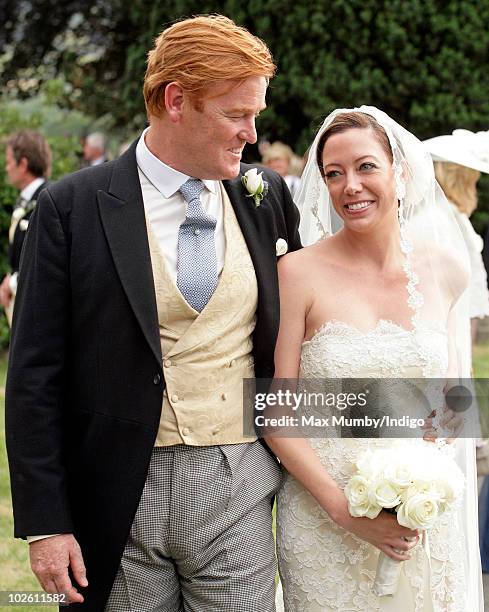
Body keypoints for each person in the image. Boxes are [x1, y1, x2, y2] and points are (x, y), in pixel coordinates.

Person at [6, 15, 301, 612]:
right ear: (175, 101)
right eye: (235, 113)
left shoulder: (266, 198)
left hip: (238, 480)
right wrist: (46, 522)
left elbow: (304, 341)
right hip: (115, 491)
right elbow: (35, 374)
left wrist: (413, 417)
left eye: (256, 114)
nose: (251, 132)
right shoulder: (72, 207)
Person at [267, 107, 483, 610]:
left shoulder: (447, 269)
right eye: (334, 174)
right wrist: (345, 511)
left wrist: (441, 433)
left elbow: (454, 394)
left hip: (422, 514)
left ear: (399, 171)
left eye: (366, 167)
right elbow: (277, 414)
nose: (350, 187)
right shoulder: (297, 273)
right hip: (326, 520)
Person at [423, 130, 489, 349]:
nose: (475, 189)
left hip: (459, 327)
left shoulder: (454, 216)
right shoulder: (438, 219)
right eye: (472, 181)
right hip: (446, 330)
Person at [0, 130, 51, 325]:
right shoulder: (26, 200)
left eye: (8, 161)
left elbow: (43, 257)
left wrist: (11, 284)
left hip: (38, 312)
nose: (6, 168)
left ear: (23, 164)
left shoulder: (46, 199)